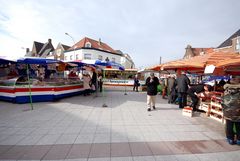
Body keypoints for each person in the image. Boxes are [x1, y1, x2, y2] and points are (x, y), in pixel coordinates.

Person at [222, 76, 240, 145]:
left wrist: (224, 108)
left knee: (229, 125)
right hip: (238, 112)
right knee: (238, 125)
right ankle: (239, 140)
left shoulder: (226, 90)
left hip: (228, 111)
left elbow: (222, 100)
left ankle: (230, 139)